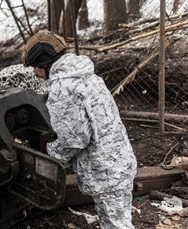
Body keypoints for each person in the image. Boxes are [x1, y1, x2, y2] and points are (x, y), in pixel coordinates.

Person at [21, 31, 137, 228]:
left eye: (35, 68)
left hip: (104, 170)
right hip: (119, 161)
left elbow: (74, 139)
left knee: (115, 224)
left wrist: (48, 154)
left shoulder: (64, 87)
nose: (35, 74)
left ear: (45, 63)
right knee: (118, 217)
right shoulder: (87, 76)